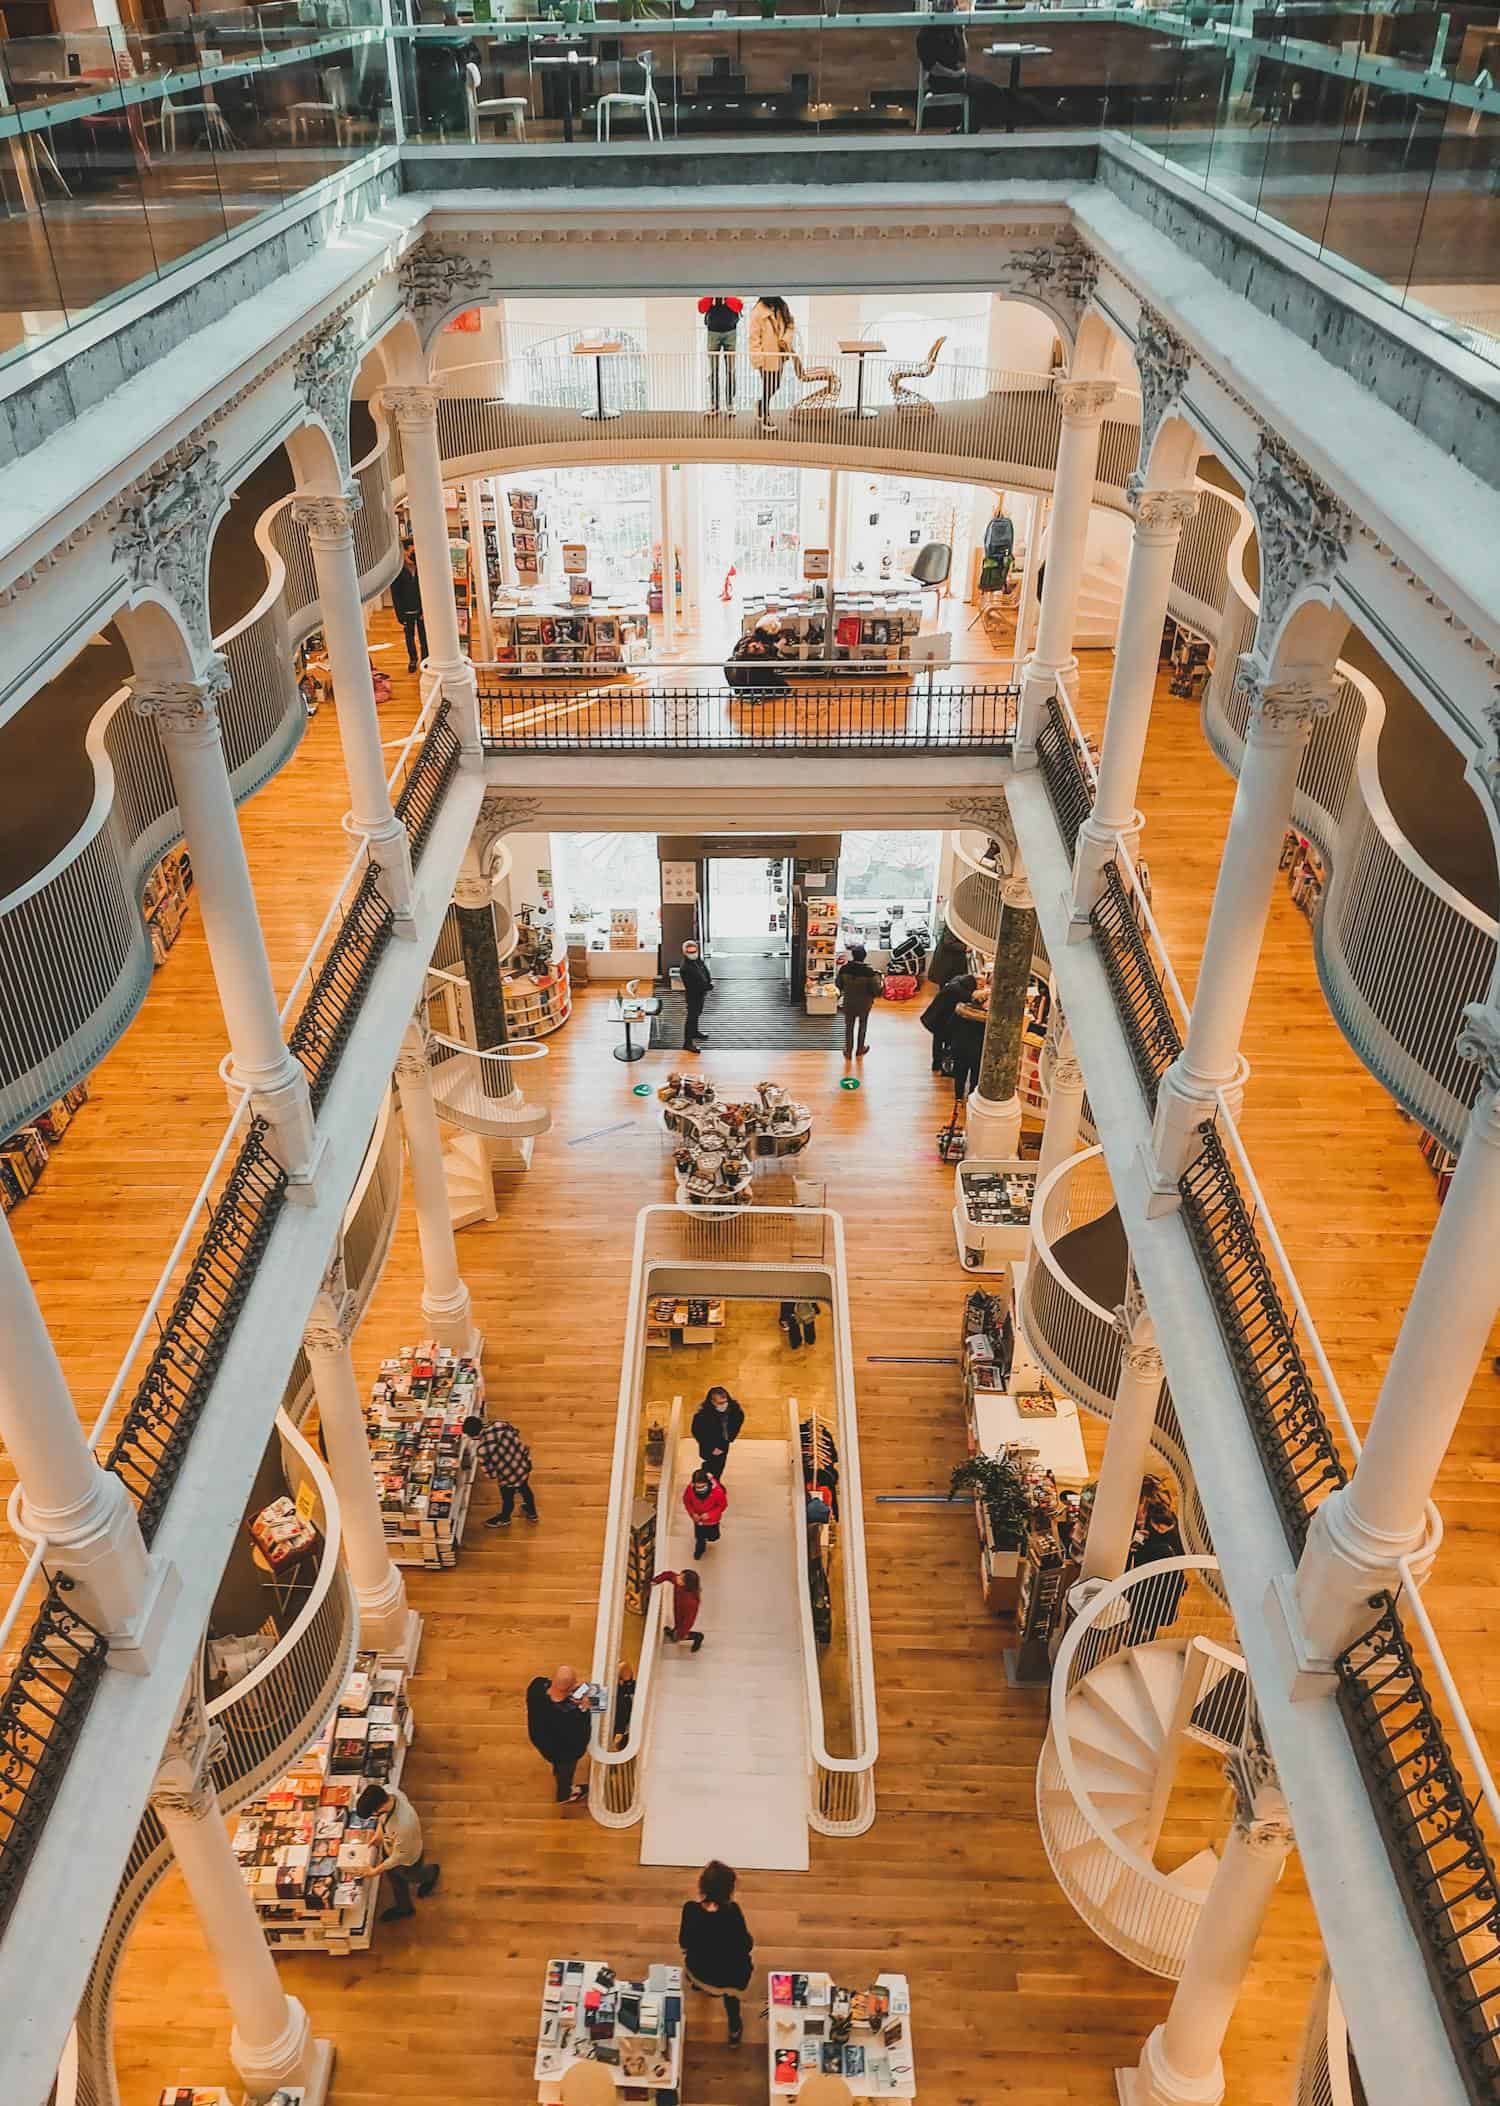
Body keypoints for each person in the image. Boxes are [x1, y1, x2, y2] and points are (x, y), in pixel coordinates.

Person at [679, 1859, 754, 2047]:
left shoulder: (690, 1910)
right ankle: (734, 2030)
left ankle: (699, 1987)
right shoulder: (733, 1912)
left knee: (696, 1971)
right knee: (731, 2000)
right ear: (729, 1890)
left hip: (700, 1971)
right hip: (730, 1977)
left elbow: (684, 1942)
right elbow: (746, 1944)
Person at [915, 8, 1014, 131]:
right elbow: (931, 67)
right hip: (939, 79)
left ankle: (966, 129)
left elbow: (963, 57)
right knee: (986, 90)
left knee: (987, 88)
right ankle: (974, 127)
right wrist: (953, 75)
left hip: (958, 75)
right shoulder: (926, 33)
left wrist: (961, 33)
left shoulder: (952, 28)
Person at [357, 1782, 440, 1922]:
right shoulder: (388, 1792)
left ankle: (432, 1873)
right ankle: (404, 1908)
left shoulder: (403, 1826)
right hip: (392, 1849)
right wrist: (379, 1834)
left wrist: (375, 1871)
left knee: (412, 1876)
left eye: (373, 1814)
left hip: (407, 1860)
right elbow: (383, 1820)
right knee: (396, 1880)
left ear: (379, 1808)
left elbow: (398, 1857)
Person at [1126, 1476, 1188, 1644]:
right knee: (1147, 1611)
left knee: (1145, 1609)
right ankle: (1141, 1635)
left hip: (1156, 1581)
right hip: (1157, 1580)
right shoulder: (1164, 1522)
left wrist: (1140, 1544)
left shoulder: (1166, 1541)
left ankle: (1138, 1636)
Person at [525, 1664, 593, 1804]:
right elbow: (581, 1739)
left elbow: (550, 1685)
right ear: (569, 1689)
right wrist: (585, 1710)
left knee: (558, 1766)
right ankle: (565, 1795)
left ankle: (557, 1770)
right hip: (562, 1753)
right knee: (565, 1773)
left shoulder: (536, 1687)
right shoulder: (571, 1716)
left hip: (542, 1739)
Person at [463, 1413, 537, 1527]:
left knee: (508, 1499)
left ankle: (505, 1518)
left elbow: (491, 1474)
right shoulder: (499, 1424)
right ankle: (532, 1513)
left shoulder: (482, 1450)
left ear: (472, 1436)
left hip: (508, 1477)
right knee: (525, 1489)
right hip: (523, 1464)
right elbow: (516, 1432)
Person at [920, 969, 979, 1075]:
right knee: (943, 1041)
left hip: (936, 1017)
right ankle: (943, 1066)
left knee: (939, 1040)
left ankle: (938, 1064)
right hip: (939, 1019)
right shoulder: (957, 990)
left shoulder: (955, 983)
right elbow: (969, 997)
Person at [748, 295, 796, 424]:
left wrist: (785, 339)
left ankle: (760, 404)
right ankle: (766, 416)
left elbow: (790, 325)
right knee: (768, 386)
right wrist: (758, 360)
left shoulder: (781, 306)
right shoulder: (757, 312)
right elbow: (754, 339)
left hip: (780, 355)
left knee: (775, 386)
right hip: (766, 357)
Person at [835, 943, 884, 1058]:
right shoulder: (870, 973)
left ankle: (848, 1051)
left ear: (853, 955)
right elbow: (877, 992)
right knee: (863, 1026)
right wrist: (882, 981)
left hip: (848, 1003)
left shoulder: (844, 969)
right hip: (864, 1005)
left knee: (849, 1027)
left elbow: (838, 985)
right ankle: (860, 1049)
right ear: (864, 956)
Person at [698, 292, 744, 412]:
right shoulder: (710, 294)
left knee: (730, 370)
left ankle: (730, 404)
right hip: (713, 332)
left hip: (730, 333)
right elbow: (701, 308)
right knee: (713, 371)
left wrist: (725, 297)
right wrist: (713, 296)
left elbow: (739, 306)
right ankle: (714, 404)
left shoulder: (730, 293)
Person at [691, 1385, 744, 1476]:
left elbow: (738, 1420)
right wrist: (711, 1448)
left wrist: (730, 1437)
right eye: (720, 1403)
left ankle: (713, 1482)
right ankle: (706, 1480)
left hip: (724, 1442)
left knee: (719, 1465)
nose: (723, 1405)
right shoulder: (702, 1416)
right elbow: (697, 1431)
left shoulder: (734, 1411)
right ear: (712, 1402)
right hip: (709, 1444)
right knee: (711, 1465)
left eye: (725, 1402)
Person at [391, 545, 427, 672]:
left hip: (420, 609)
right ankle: (413, 659)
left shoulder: (421, 568)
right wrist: (400, 616)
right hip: (406, 611)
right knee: (409, 637)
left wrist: (425, 610)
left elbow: (425, 591)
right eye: (411, 552)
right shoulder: (397, 571)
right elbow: (395, 595)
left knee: (424, 636)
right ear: (404, 552)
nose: (413, 554)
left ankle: (425, 660)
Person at [949, 987, 988, 1104]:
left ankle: (958, 1097)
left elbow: (950, 1026)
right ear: (983, 1001)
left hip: (959, 1047)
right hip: (977, 1050)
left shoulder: (960, 1010)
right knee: (975, 1076)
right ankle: (971, 1097)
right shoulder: (985, 1018)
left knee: (959, 1074)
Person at [653, 1566, 704, 1651]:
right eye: (680, 1575)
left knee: (680, 1636)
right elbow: (668, 1575)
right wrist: (655, 1580)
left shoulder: (691, 1602)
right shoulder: (679, 1582)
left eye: (680, 1578)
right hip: (678, 1611)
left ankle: (698, 1637)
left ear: (686, 1584)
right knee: (677, 1626)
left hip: (684, 1619)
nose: (677, 1578)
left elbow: (689, 1620)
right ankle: (674, 1632)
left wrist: (682, 1633)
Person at [724, 631, 789, 696]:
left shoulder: (730, 661)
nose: (760, 645)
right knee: (785, 687)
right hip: (760, 693)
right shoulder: (760, 661)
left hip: (741, 694)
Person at [683, 1467, 728, 1558]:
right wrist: (692, 1513)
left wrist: (709, 1515)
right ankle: (699, 1551)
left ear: (707, 1483)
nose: (699, 1489)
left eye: (702, 1486)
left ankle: (711, 1537)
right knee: (700, 1538)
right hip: (698, 1519)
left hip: (712, 1520)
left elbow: (722, 1506)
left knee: (713, 1537)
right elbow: (687, 1501)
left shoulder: (718, 1491)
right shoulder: (690, 1488)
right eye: (697, 1486)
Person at [680, 939, 715, 1052]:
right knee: (691, 1017)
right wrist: (708, 986)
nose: (693, 953)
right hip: (693, 995)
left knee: (697, 1014)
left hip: (701, 994)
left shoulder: (697, 961)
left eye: (694, 951)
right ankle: (687, 1043)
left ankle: (695, 1032)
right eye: (690, 952)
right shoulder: (686, 968)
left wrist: (708, 981)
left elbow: (704, 970)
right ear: (685, 953)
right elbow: (694, 985)